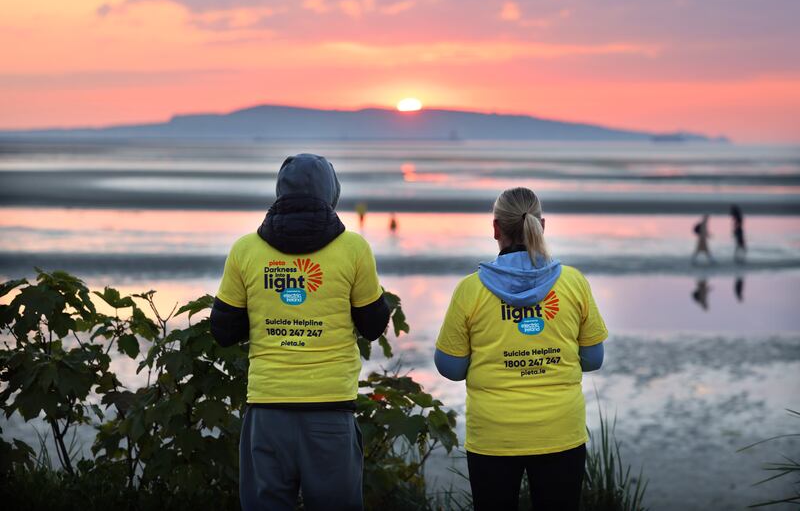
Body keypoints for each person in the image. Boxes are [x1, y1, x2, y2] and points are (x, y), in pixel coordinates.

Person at [210, 153, 391, 511]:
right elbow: (373, 326)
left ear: (279, 192)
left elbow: (223, 330)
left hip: (267, 410)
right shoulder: (354, 249)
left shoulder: (246, 249)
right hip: (330, 411)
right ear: (332, 193)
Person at [434, 187, 607, 511]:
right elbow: (593, 359)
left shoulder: (470, 289)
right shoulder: (573, 282)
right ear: (541, 225)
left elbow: (451, 369)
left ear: (496, 228)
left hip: (493, 435)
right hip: (560, 430)